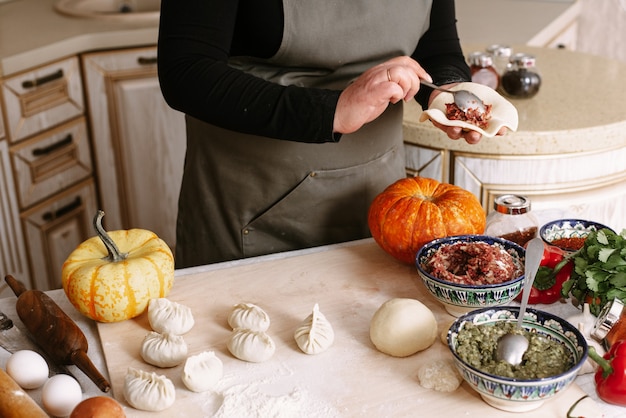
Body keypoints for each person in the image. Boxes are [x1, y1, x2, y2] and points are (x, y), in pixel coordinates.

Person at [158, 0, 497, 268]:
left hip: (382, 194)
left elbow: (435, 47)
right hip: (256, 198)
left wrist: (447, 93)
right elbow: (186, 71)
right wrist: (333, 110)